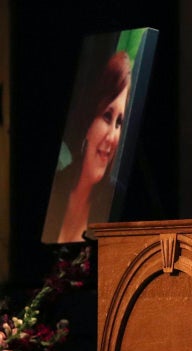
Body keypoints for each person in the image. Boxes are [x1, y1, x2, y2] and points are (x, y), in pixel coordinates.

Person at [44, 51, 131, 244]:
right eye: (107, 116)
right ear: (88, 120)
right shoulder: (56, 185)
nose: (112, 137)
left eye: (119, 122)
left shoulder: (118, 202)